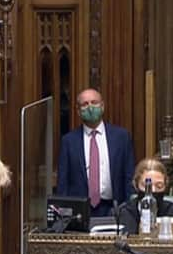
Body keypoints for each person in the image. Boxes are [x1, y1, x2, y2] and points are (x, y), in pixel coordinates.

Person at [56, 88, 136, 216]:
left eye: (94, 102)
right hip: (80, 210)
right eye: (85, 104)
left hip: (115, 208)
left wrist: (129, 209)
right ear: (78, 111)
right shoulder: (69, 141)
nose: (90, 107)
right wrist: (64, 212)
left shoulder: (121, 137)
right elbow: (63, 181)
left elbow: (129, 175)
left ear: (102, 106)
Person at [117, 158, 173, 235]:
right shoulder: (122, 213)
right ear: (136, 185)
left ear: (166, 186)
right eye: (147, 186)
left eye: (159, 186)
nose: (153, 191)